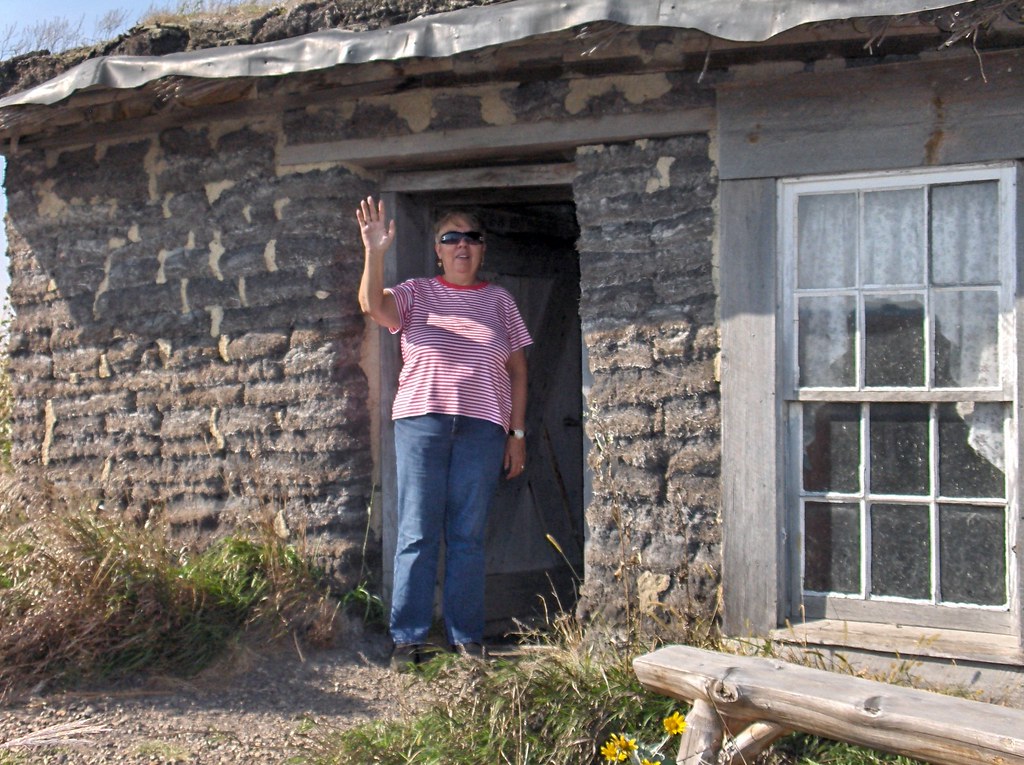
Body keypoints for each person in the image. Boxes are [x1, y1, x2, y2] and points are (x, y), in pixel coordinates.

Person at [356, 196, 532, 668]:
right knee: (416, 532)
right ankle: (409, 639)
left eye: (471, 238)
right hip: (423, 423)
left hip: (483, 427)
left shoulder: (499, 301)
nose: (461, 246)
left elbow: (517, 369)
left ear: (482, 249)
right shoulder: (416, 292)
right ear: (437, 249)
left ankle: (466, 639)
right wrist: (375, 252)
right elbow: (373, 305)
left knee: (467, 535)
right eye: (450, 237)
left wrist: (517, 433)